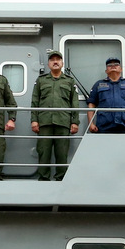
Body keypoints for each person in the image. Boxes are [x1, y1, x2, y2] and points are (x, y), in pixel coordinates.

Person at [30, 50, 80, 181]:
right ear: (48, 64)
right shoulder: (41, 80)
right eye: (52, 60)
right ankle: (43, 179)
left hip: (63, 122)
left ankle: (60, 179)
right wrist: (34, 120)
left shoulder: (69, 81)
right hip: (44, 122)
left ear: (62, 63)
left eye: (58, 59)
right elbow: (35, 101)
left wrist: (75, 122)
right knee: (43, 152)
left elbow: (74, 102)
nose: (55, 62)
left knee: (62, 153)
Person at [87, 58, 125, 134]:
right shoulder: (99, 85)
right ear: (106, 71)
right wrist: (91, 124)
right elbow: (91, 105)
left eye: (116, 64)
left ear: (121, 69)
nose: (113, 66)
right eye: (109, 65)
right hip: (104, 128)